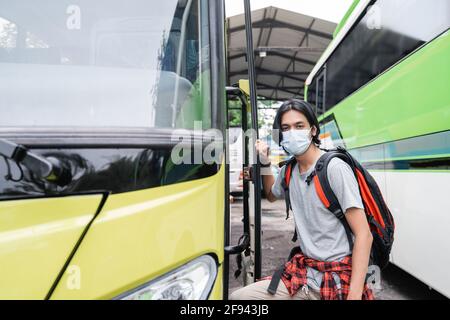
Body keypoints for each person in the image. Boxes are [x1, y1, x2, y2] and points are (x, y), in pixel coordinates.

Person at [229, 99, 374, 300]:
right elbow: (271, 194)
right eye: (286, 128)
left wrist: (354, 295)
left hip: (338, 275)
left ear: (313, 130)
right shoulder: (289, 170)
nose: (292, 133)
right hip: (305, 271)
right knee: (240, 298)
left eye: (299, 126)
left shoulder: (334, 168)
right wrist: (264, 162)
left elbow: (364, 235)